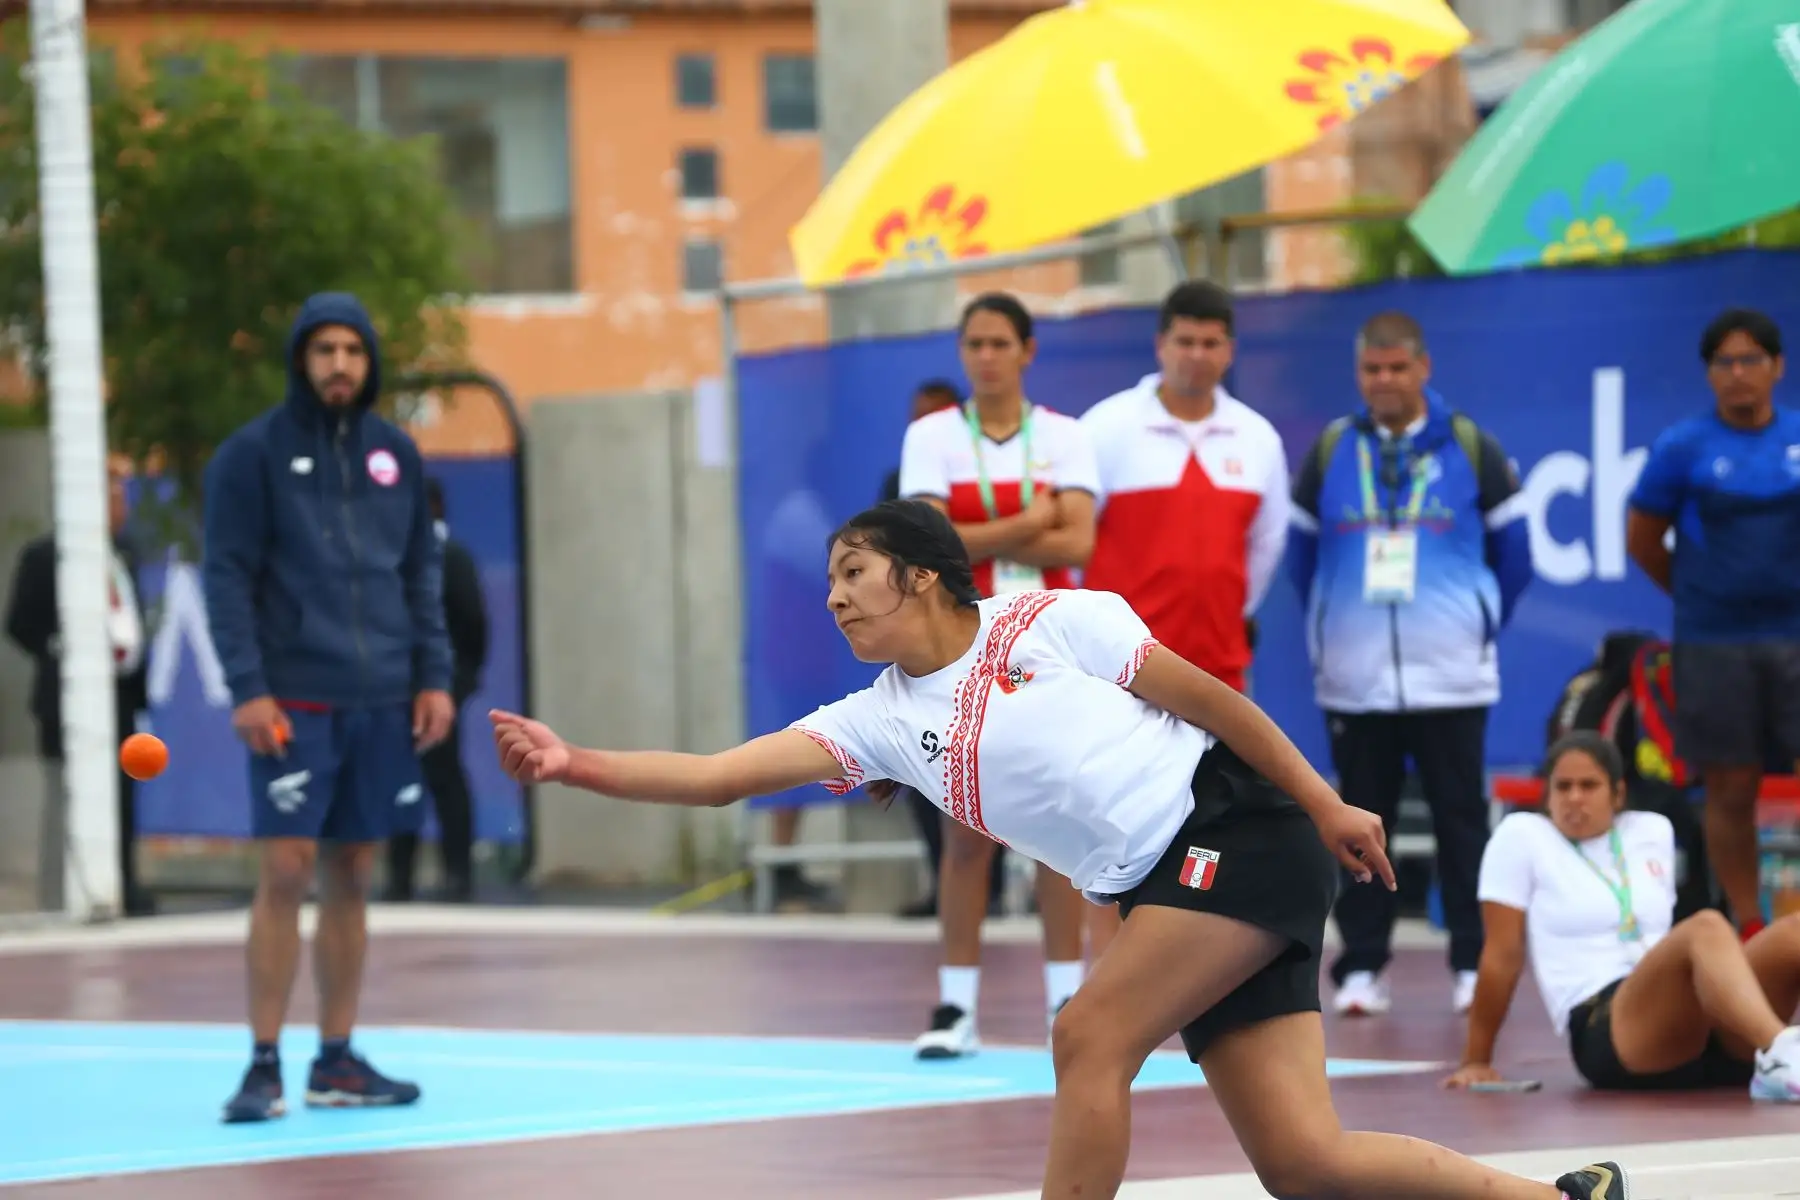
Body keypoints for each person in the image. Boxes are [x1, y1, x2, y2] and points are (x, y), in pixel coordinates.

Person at [490, 499, 1628, 1200]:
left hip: (1240, 833)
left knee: (1087, 1033)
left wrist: (1328, 801)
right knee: (1303, 1166)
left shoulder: (1052, 621)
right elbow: (716, 778)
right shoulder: (877, 719)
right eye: (832, 579)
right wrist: (572, 760)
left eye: (854, 572)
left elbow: (1220, 705)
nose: (834, 596)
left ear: (921, 575)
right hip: (1170, 891)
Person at [203, 291, 455, 1123]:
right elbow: (227, 579)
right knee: (285, 872)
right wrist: (249, 688)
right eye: (324, 350)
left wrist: (433, 677)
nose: (339, 364)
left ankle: (336, 1060)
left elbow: (420, 573)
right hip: (292, 702)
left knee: (352, 872)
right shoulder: (251, 458)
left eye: (352, 349)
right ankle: (263, 1064)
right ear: (301, 361)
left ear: (369, 360)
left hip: (382, 697)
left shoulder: (396, 456)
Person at [1289, 310, 1533, 1018]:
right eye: (1373, 369)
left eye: (1398, 368)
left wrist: (1474, 622)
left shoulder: (1469, 446)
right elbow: (1303, 559)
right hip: (1356, 677)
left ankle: (1468, 959)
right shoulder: (1333, 449)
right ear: (1359, 374)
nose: (1386, 381)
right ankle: (1362, 966)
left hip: (1451, 672)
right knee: (1359, 824)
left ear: (1424, 369)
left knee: (1462, 822)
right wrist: (1338, 626)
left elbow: (1514, 559)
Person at [896, 291, 1100, 1057]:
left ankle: (1064, 1002)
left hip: (1047, 650)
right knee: (966, 831)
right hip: (963, 648)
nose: (985, 356)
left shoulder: (1066, 438)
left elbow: (1077, 539)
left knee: (1054, 833)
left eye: (999, 343)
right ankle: (955, 1008)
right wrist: (1025, 525)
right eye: (973, 344)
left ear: (1027, 352)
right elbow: (932, 545)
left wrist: (1003, 534)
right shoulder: (932, 436)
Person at [1082, 280, 1289, 958]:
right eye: (1184, 341)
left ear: (1228, 350)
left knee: (1216, 824)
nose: (1197, 355)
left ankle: (1191, 968)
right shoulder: (1107, 429)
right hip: (1122, 680)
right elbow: (1078, 546)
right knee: (1112, 829)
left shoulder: (1256, 439)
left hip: (1220, 670)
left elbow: (1264, 548)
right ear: (1161, 345)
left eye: (1211, 342)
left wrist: (1227, 615)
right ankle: (1104, 979)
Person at [1449, 731, 1800, 1100]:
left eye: (1589, 786)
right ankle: (1780, 1051)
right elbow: (1502, 955)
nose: (1574, 798)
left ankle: (1772, 1054)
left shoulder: (1650, 830)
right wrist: (1476, 1059)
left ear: (1617, 794)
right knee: (1706, 926)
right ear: (1546, 795)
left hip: (1692, 1021)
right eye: (1563, 787)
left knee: (1792, 931)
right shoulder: (1522, 836)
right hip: (1609, 1027)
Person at [1626, 308, 1792, 942]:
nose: (1738, 373)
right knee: (1729, 786)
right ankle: (1750, 924)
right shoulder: (1682, 447)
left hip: (1795, 640)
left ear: (1776, 368)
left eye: (1751, 360)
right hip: (1714, 643)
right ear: (1709, 373)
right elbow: (1643, 540)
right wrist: (1699, 595)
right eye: (1725, 362)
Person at [4, 459, 154, 917]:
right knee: (66, 796)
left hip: (121, 696)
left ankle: (122, 884)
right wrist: (59, 647)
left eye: (122, 494)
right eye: (112, 493)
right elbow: (18, 622)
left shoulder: (123, 551)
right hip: (65, 696)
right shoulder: (46, 554)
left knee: (123, 792)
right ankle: (60, 891)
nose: (120, 504)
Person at [881, 378, 1002, 920]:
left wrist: (977, 534)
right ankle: (947, 891)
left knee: (1007, 769)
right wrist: (1028, 528)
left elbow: (1072, 542)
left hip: (998, 635)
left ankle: (1001, 893)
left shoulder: (994, 471)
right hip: (934, 648)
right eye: (915, 416)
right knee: (932, 770)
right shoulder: (896, 486)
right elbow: (919, 549)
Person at [385, 476, 489, 903]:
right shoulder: (391, 561)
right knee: (397, 781)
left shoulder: (452, 560)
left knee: (445, 780)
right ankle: (399, 878)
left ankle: (457, 875)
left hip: (439, 693)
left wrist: (455, 688)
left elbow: (473, 630)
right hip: (393, 694)